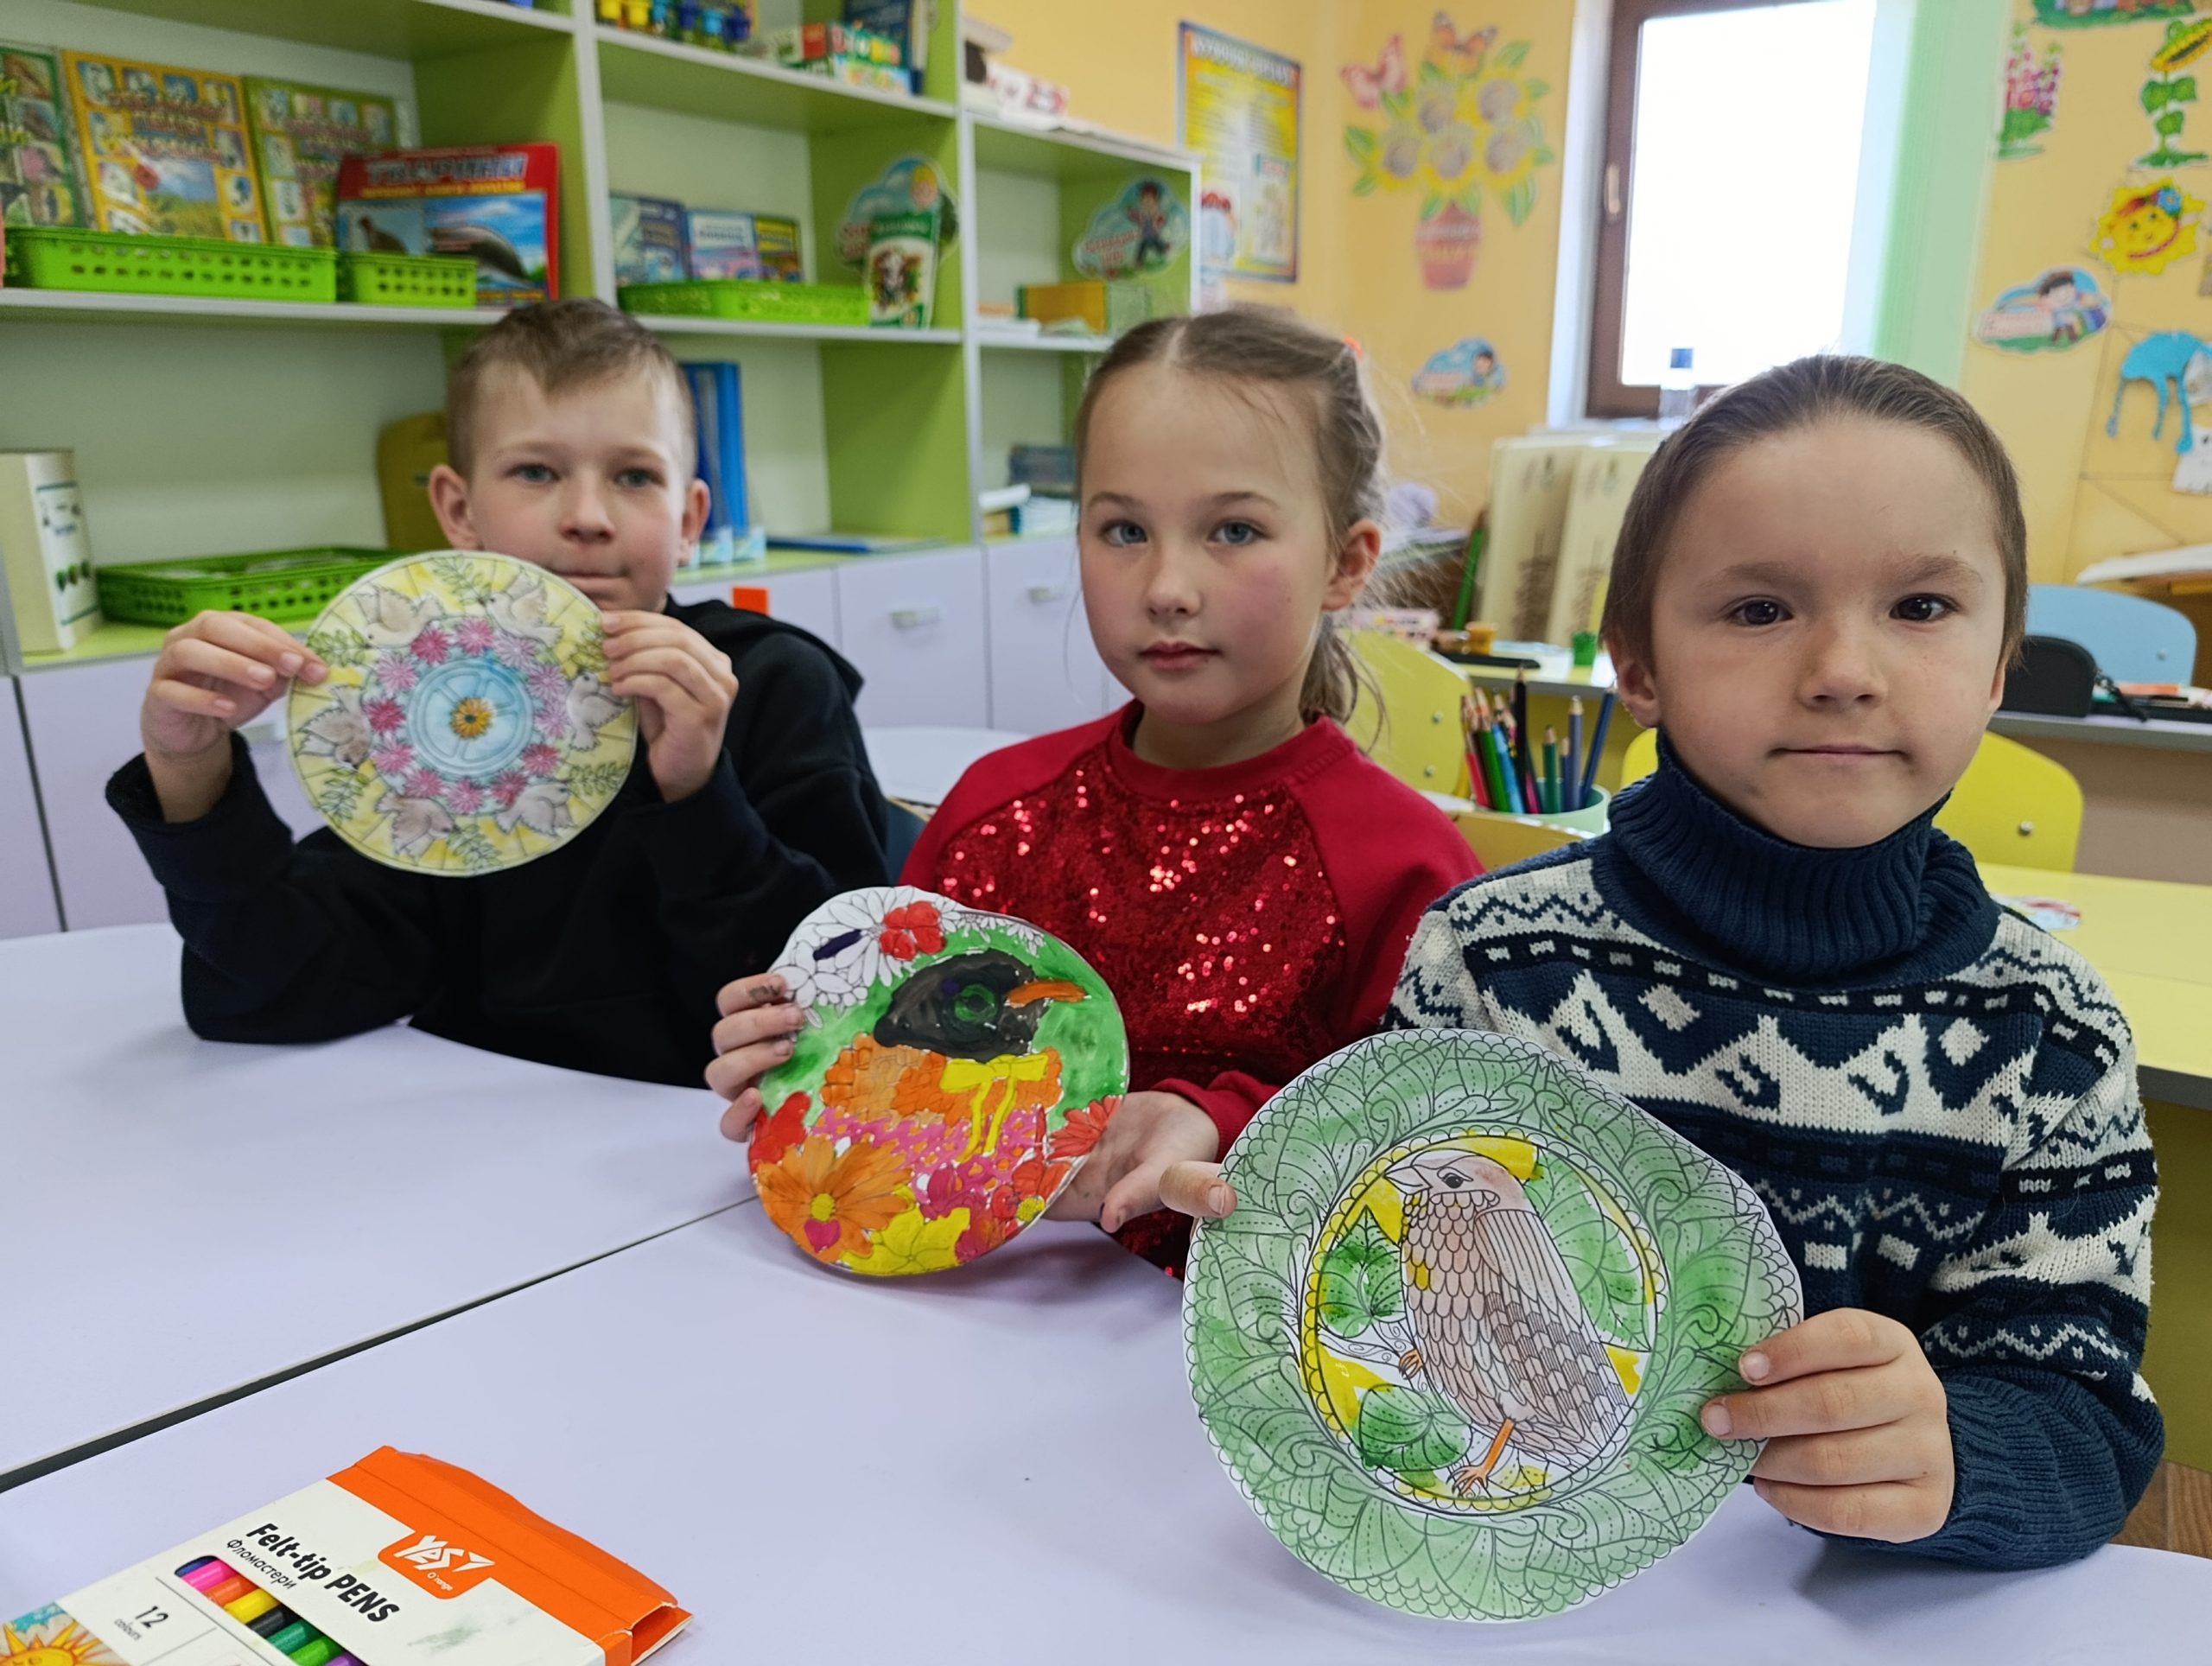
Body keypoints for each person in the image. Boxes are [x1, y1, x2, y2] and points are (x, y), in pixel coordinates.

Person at [1158, 355, 2161, 1567]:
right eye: (1759, 610)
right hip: (1499, 1583)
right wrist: (1269, 1220)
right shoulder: (1492, 964)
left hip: (1828, 1611)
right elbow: (1371, 1262)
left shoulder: (2052, 1038)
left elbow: (2090, 1422)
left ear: (1999, 664)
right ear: (1635, 664)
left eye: (1921, 607)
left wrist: (1961, 1455)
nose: (1844, 671)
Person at [709, 307, 1478, 1270]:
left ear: (1347, 561)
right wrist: (800, 1058)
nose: (1166, 586)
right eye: (1123, 529)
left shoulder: (1407, 869)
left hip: (1222, 1335)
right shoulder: (992, 811)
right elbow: (895, 1078)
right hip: (954, 1312)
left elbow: (1445, 1166)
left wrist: (1226, 1122)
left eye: (1233, 529)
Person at [109, 298, 890, 1086]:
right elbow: (270, 986)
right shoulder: (430, 707)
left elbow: (859, 1002)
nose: (588, 517)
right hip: (478, 1129)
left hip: (711, 1136)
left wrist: (696, 793)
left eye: (634, 476)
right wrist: (189, 773)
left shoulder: (775, 684)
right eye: (536, 472)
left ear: (688, 520)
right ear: (459, 510)